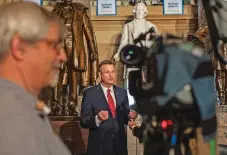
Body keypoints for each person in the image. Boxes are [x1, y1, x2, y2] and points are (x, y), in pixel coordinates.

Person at [0, 2, 70, 155]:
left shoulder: (22, 105)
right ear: (19, 48)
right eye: (54, 46)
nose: (63, 56)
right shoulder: (12, 117)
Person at [80, 60, 137, 155]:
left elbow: (124, 117)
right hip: (99, 149)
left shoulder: (122, 92)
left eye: (113, 71)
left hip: (120, 148)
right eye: (107, 72)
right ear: (100, 74)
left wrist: (130, 117)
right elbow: (83, 121)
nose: (111, 75)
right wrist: (98, 118)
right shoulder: (90, 94)